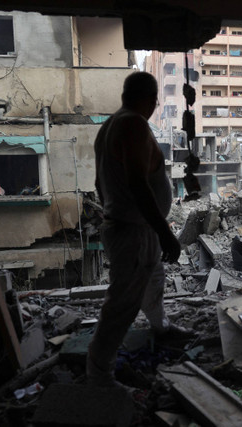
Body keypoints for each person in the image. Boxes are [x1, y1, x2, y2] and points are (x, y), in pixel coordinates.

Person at [87, 72, 186, 387]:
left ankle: (160, 326)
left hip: (133, 226)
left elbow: (99, 183)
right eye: (156, 100)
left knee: (154, 278)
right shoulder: (133, 124)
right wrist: (165, 232)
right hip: (133, 231)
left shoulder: (110, 125)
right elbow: (137, 182)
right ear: (151, 99)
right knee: (122, 306)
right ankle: (99, 374)